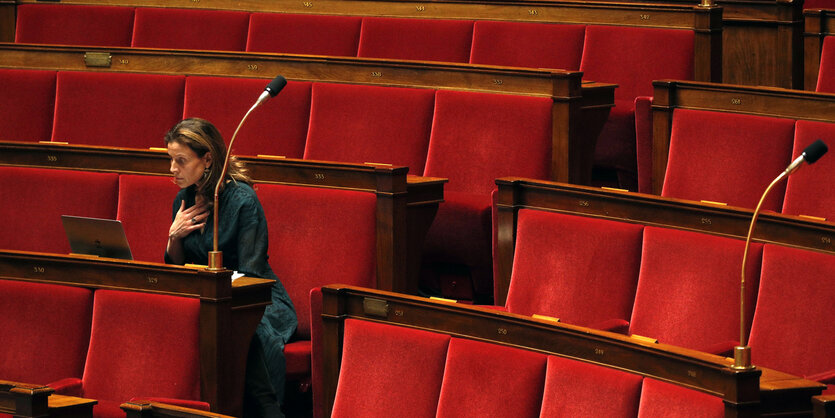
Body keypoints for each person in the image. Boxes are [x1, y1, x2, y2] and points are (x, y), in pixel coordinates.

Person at [163, 118, 297, 417]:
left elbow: (252, 271)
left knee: (238, 330)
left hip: (254, 300)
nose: (172, 169)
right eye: (171, 160)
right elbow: (176, 266)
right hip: (204, 297)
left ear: (207, 158)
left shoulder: (243, 200)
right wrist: (174, 236)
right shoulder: (183, 200)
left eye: (180, 161)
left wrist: (215, 289)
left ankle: (266, 409)